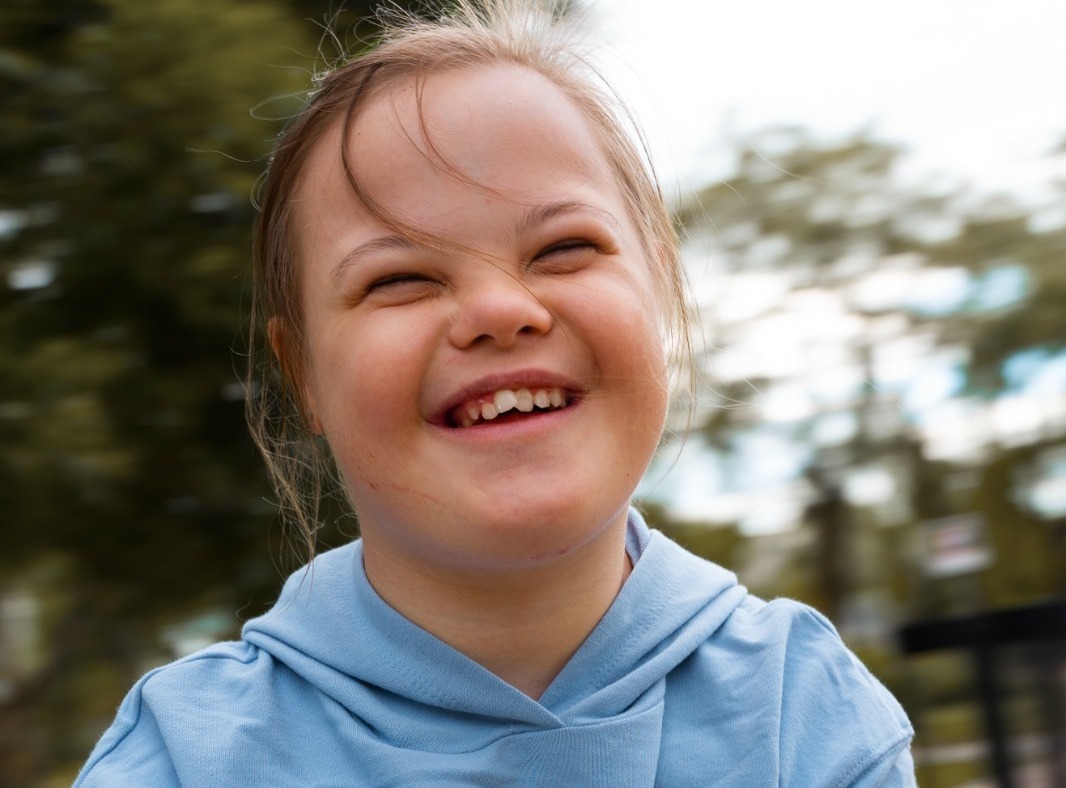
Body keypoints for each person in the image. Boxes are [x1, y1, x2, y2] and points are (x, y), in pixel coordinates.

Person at [75, 1, 916, 784]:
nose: (499, 310)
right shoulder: (187, 757)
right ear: (305, 377)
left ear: (660, 291)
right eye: (398, 279)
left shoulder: (806, 710)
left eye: (563, 249)